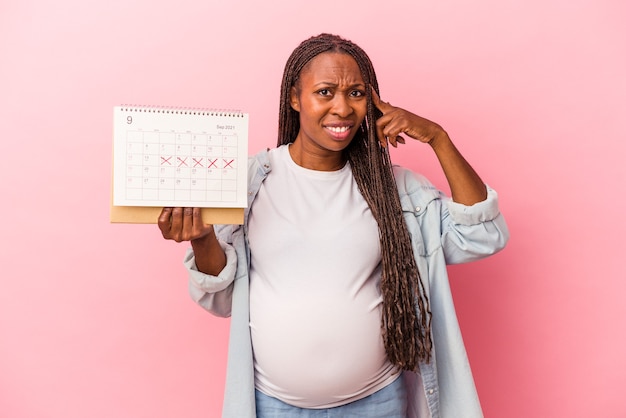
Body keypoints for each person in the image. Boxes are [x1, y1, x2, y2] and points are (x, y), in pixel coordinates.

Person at [158, 33, 509, 418]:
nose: (342, 108)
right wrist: (202, 238)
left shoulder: (395, 190)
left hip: (379, 402)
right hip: (274, 406)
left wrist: (438, 138)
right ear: (295, 98)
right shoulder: (251, 183)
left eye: (356, 93)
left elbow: (482, 235)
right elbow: (222, 300)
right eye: (325, 92)